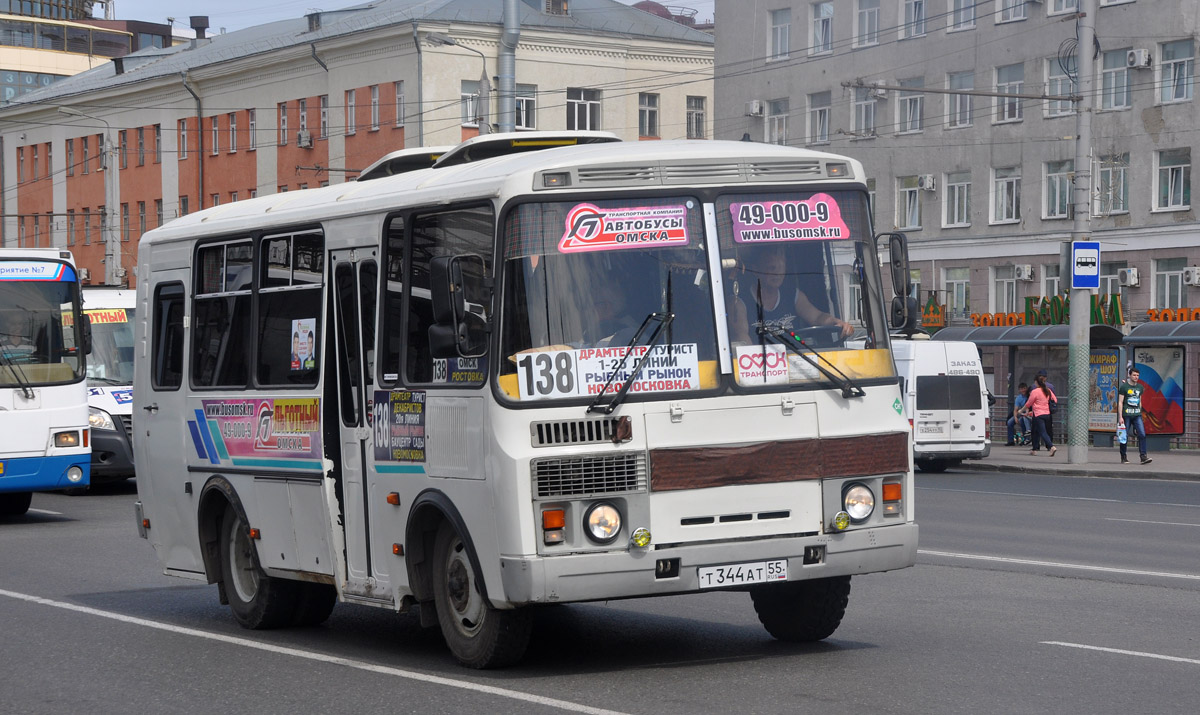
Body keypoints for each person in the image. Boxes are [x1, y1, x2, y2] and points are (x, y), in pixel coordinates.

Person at [728, 244, 854, 344]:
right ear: (756, 270)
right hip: (762, 368)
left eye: (781, 268)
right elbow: (741, 338)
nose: (777, 273)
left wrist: (838, 323)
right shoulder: (739, 302)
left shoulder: (793, 295)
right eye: (772, 268)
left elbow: (817, 317)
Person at [1117, 366, 1152, 465]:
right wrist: (1120, 417)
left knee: (1142, 434)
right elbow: (1120, 402)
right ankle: (1123, 456)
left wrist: (1140, 411)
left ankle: (1143, 456)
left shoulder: (1140, 387)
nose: (1136, 377)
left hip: (1137, 414)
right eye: (1134, 375)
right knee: (1124, 436)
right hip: (1126, 414)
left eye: (1137, 375)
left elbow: (1139, 400)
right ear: (1130, 375)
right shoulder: (1124, 387)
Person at [1022, 374, 1057, 457]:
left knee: (1042, 432)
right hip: (1047, 414)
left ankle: (1051, 447)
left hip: (1038, 414)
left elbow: (1029, 403)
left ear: (1036, 382)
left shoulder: (1035, 391)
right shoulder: (1047, 390)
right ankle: (1034, 449)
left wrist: (1021, 410)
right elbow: (1055, 399)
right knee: (1034, 430)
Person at [1036, 368, 1057, 442]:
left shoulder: (1034, 386)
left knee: (1037, 428)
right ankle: (1049, 444)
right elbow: (1054, 399)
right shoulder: (1050, 386)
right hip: (1047, 410)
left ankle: (1036, 445)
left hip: (1038, 410)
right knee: (1048, 428)